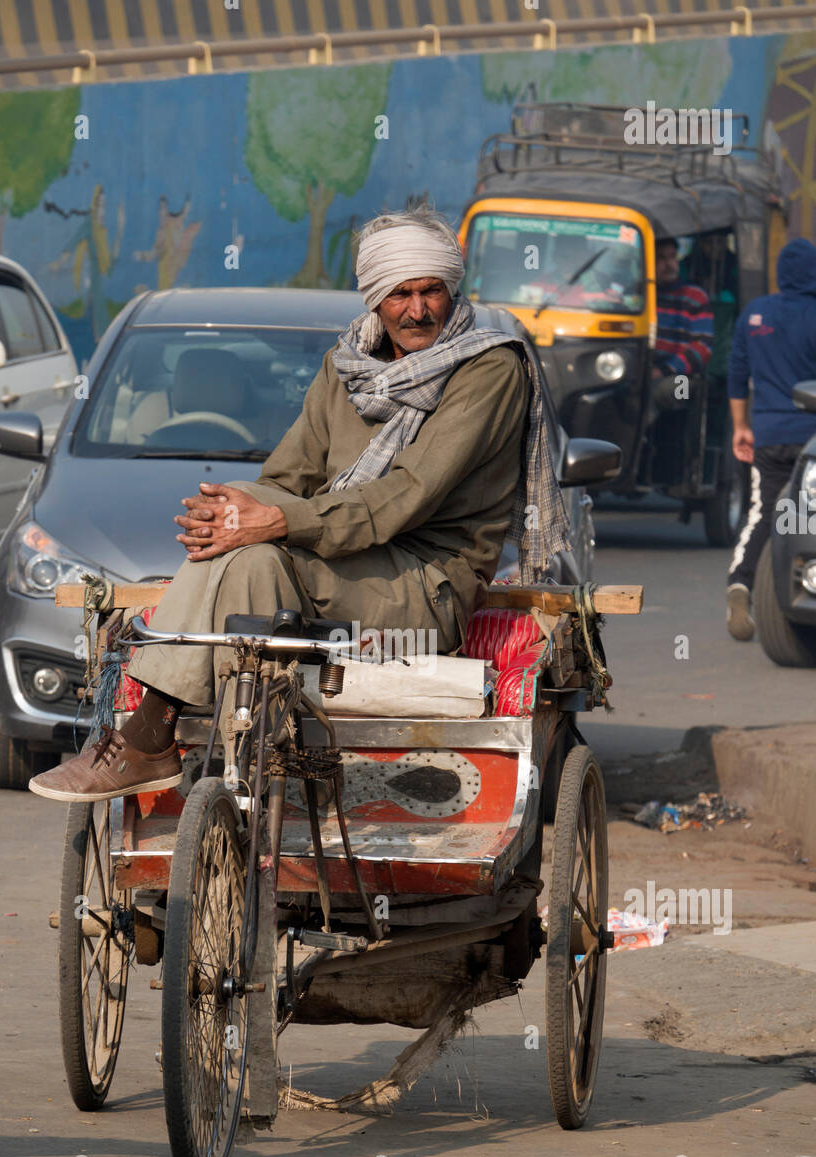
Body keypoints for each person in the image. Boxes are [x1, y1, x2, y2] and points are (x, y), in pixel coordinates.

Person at [29, 207, 569, 803]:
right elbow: (287, 476)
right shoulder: (347, 366)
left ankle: (149, 734)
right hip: (339, 570)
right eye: (400, 295)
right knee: (243, 547)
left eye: (431, 291)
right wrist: (232, 514)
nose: (417, 310)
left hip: (424, 586)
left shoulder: (489, 367)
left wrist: (277, 519)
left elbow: (405, 497)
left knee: (253, 543)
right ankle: (238, 761)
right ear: (375, 300)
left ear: (452, 288)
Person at [725, 237, 816, 640]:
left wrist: (741, 427)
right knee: (806, 520)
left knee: (764, 511)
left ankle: (741, 582)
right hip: (811, 439)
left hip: (768, 436)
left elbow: (736, 374)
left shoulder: (755, 313)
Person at [651, 237, 714, 414]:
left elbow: (702, 349)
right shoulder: (643, 297)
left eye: (672, 257)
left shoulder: (694, 296)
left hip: (685, 378)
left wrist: (663, 370)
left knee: (657, 393)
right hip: (645, 372)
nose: (669, 264)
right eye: (661, 258)